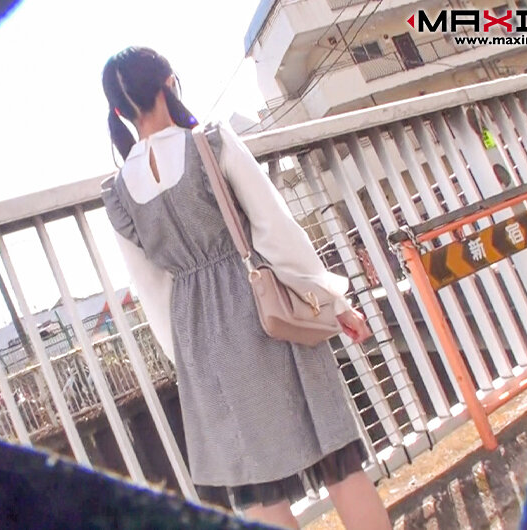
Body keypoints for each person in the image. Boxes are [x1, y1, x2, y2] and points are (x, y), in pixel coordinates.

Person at [100, 46, 391, 530]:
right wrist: (332, 301)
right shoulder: (208, 142)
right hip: (260, 305)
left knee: (255, 482)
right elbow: (275, 230)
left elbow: (150, 287)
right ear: (169, 85)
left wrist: (185, 358)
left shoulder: (118, 192)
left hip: (198, 339)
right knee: (335, 455)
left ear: (118, 111)